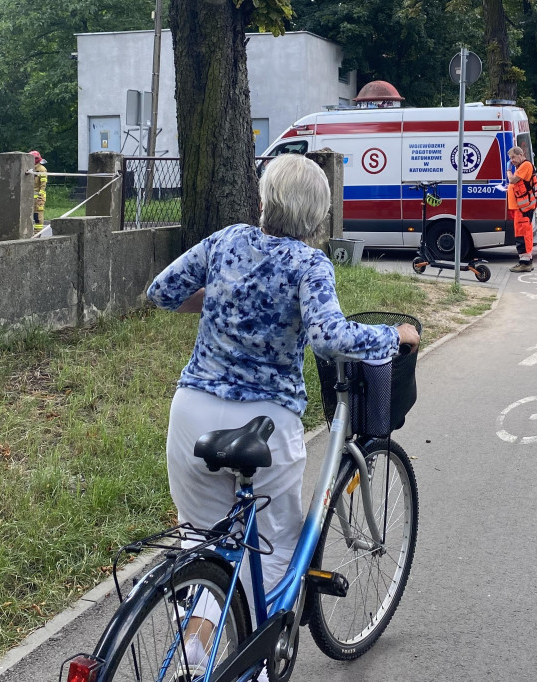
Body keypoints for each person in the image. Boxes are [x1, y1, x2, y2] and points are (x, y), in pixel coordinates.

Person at [146, 154, 420, 665]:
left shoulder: (225, 240)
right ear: (319, 219)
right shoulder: (309, 263)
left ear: (262, 202)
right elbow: (329, 336)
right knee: (271, 554)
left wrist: (220, 300)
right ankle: (251, 669)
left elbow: (161, 292)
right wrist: (394, 334)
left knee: (204, 549)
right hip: (263, 424)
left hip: (192, 414)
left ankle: (191, 659)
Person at [506, 145, 536, 272]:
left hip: (524, 208)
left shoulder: (525, 165)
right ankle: (524, 261)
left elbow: (513, 180)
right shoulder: (521, 166)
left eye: (513, 157)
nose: (512, 160)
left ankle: (526, 263)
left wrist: (508, 170)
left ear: (521, 154)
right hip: (520, 208)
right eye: (510, 158)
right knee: (520, 234)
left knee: (523, 235)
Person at [29, 151, 47, 232]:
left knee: (37, 216)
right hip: (29, 197)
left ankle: (37, 233)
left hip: (38, 198)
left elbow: (43, 185)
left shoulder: (42, 170)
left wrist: (40, 196)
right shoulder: (29, 169)